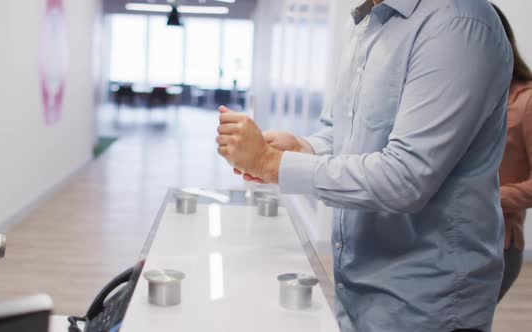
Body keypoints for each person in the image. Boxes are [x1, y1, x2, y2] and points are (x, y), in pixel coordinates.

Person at [216, 0, 512, 331]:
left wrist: (272, 164)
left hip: (425, 305)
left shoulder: (458, 24)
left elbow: (405, 178)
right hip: (357, 291)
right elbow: (344, 133)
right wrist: (304, 147)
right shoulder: (366, 22)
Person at [492, 3, 532, 302]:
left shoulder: (527, 101)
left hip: (500, 244)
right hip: (449, 240)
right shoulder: (468, 96)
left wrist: (489, 198)